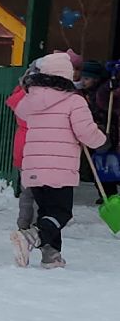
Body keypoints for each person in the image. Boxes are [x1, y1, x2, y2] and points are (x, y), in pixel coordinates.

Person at [10, 51, 106, 269]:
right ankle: (31, 237)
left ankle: (51, 256)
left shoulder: (31, 99)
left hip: (33, 167)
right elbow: (85, 131)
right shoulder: (74, 100)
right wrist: (102, 141)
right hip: (59, 168)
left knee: (47, 211)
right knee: (61, 212)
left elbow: (22, 114)